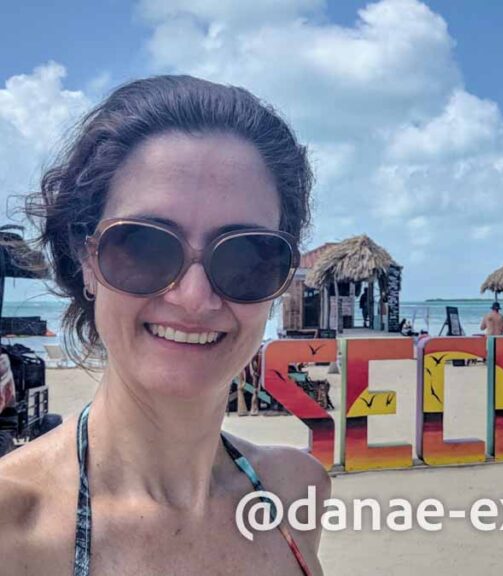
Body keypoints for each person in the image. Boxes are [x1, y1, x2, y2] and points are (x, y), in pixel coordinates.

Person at [0, 76, 328, 575]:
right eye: (145, 247)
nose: (194, 298)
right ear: (88, 260)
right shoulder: (13, 525)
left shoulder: (296, 489)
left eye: (246, 255)